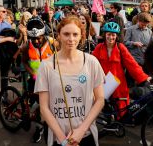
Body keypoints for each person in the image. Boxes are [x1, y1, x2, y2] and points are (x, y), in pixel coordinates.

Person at [35, 16, 105, 146]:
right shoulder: (46, 66)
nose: (71, 39)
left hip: (85, 135)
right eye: (66, 34)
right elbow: (44, 108)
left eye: (75, 34)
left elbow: (100, 99)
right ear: (59, 36)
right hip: (58, 138)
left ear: (81, 36)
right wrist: (63, 139)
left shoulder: (91, 62)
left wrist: (81, 131)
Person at [92, 22, 149, 119]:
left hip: (118, 81)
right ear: (104, 35)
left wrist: (143, 78)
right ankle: (109, 123)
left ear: (117, 36)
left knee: (120, 106)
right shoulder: (99, 48)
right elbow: (92, 64)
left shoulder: (120, 47)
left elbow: (132, 64)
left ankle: (119, 122)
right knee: (104, 104)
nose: (111, 37)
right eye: (108, 34)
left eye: (113, 35)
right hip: (103, 81)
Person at [20, 17, 56, 143]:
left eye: (39, 38)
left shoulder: (53, 43)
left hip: (51, 80)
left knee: (50, 105)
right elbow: (24, 62)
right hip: (34, 81)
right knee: (37, 107)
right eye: (33, 38)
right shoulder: (26, 46)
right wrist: (33, 73)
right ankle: (38, 128)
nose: (36, 41)